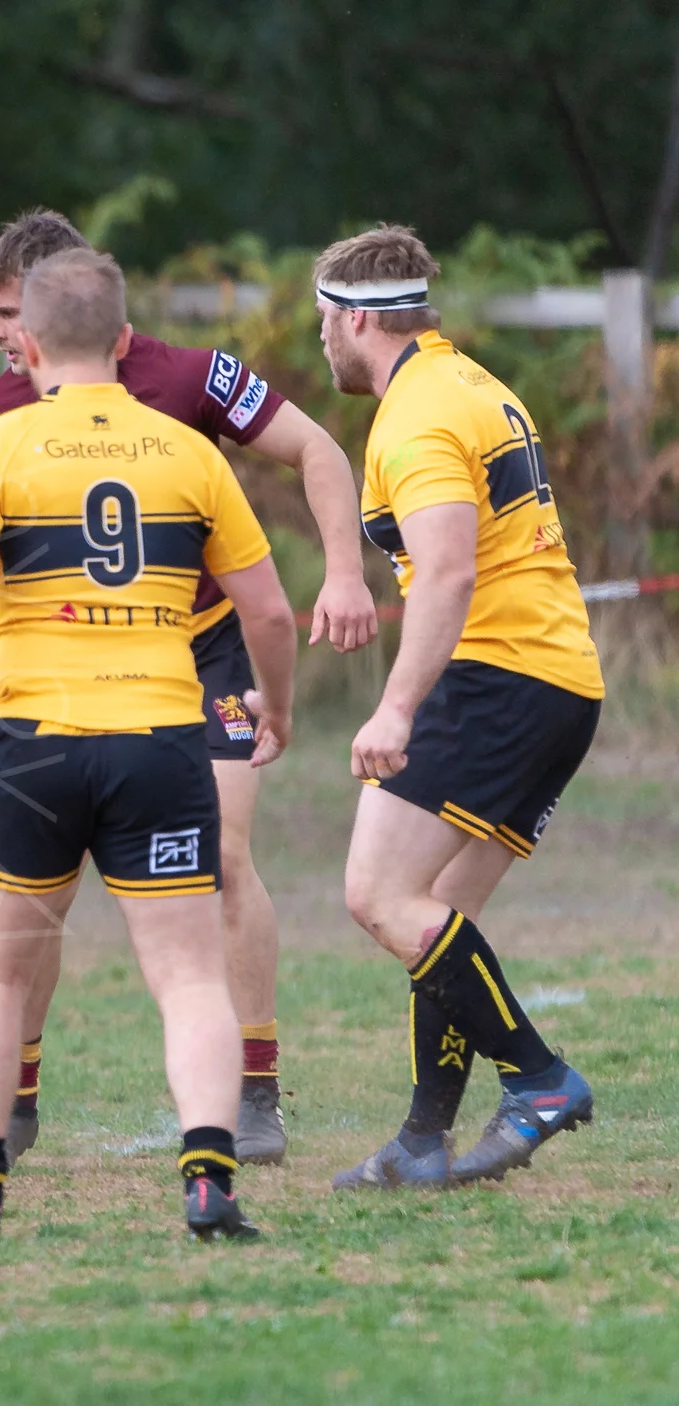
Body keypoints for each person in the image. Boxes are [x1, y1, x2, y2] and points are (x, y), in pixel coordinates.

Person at [0, 248, 298, 1242]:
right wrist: (276, 706)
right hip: (159, 738)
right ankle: (207, 1179)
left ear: (29, 340)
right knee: (187, 977)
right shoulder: (189, 454)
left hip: (35, 745)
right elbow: (266, 610)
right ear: (122, 335)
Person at [0, 209, 378, 1166]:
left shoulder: (189, 378)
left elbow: (319, 449)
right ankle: (16, 1095)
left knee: (224, 858)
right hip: (65, 666)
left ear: (65, 304)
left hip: (203, 655)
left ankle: (256, 1092)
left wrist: (346, 574)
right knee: (38, 894)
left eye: (6, 311)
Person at [315, 226, 601, 1190]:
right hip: (558, 679)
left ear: (358, 317)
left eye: (325, 320)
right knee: (434, 917)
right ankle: (422, 1140)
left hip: (496, 676)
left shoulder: (418, 413)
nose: (321, 339)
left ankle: (540, 1080)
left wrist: (396, 708)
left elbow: (446, 570)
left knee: (378, 896)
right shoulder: (474, 383)